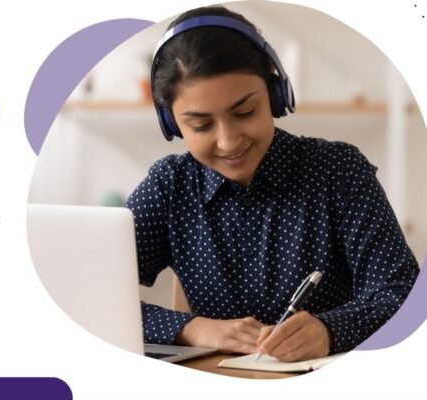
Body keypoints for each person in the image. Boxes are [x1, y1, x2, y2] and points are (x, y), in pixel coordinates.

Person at [125, 5, 419, 362]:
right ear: (171, 124)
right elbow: (86, 294)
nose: (229, 142)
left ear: (275, 93)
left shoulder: (340, 171)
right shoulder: (169, 187)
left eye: (245, 112)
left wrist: (330, 330)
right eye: (201, 126)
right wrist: (191, 327)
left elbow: (402, 293)